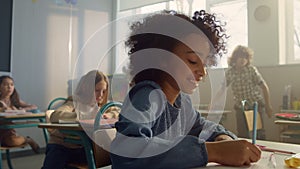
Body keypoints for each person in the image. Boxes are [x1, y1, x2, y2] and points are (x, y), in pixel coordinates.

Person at [110, 10, 261, 169]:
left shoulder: (181, 101)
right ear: (162, 58)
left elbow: (202, 127)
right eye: (193, 61)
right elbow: (127, 151)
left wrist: (223, 138)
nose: (202, 72)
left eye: (205, 63)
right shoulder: (147, 96)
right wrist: (213, 152)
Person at [41, 70, 119, 169]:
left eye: (104, 91)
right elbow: (56, 115)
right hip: (64, 146)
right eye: (97, 90)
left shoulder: (103, 106)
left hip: (84, 147)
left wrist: (110, 115)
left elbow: (118, 112)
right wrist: (86, 115)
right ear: (86, 89)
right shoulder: (74, 102)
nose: (101, 95)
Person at [212, 45, 273, 139]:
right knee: (242, 134)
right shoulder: (230, 73)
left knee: (258, 134)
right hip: (241, 107)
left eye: (245, 57)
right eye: (240, 57)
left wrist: (268, 106)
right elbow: (222, 89)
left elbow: (264, 87)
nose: (243, 60)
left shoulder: (251, 70)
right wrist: (213, 104)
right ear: (235, 59)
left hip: (255, 106)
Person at [0, 75, 40, 153]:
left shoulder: (14, 100)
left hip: (8, 132)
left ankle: (28, 140)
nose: (9, 87)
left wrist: (22, 110)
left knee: (12, 141)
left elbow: (34, 107)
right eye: (5, 84)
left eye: (12, 85)